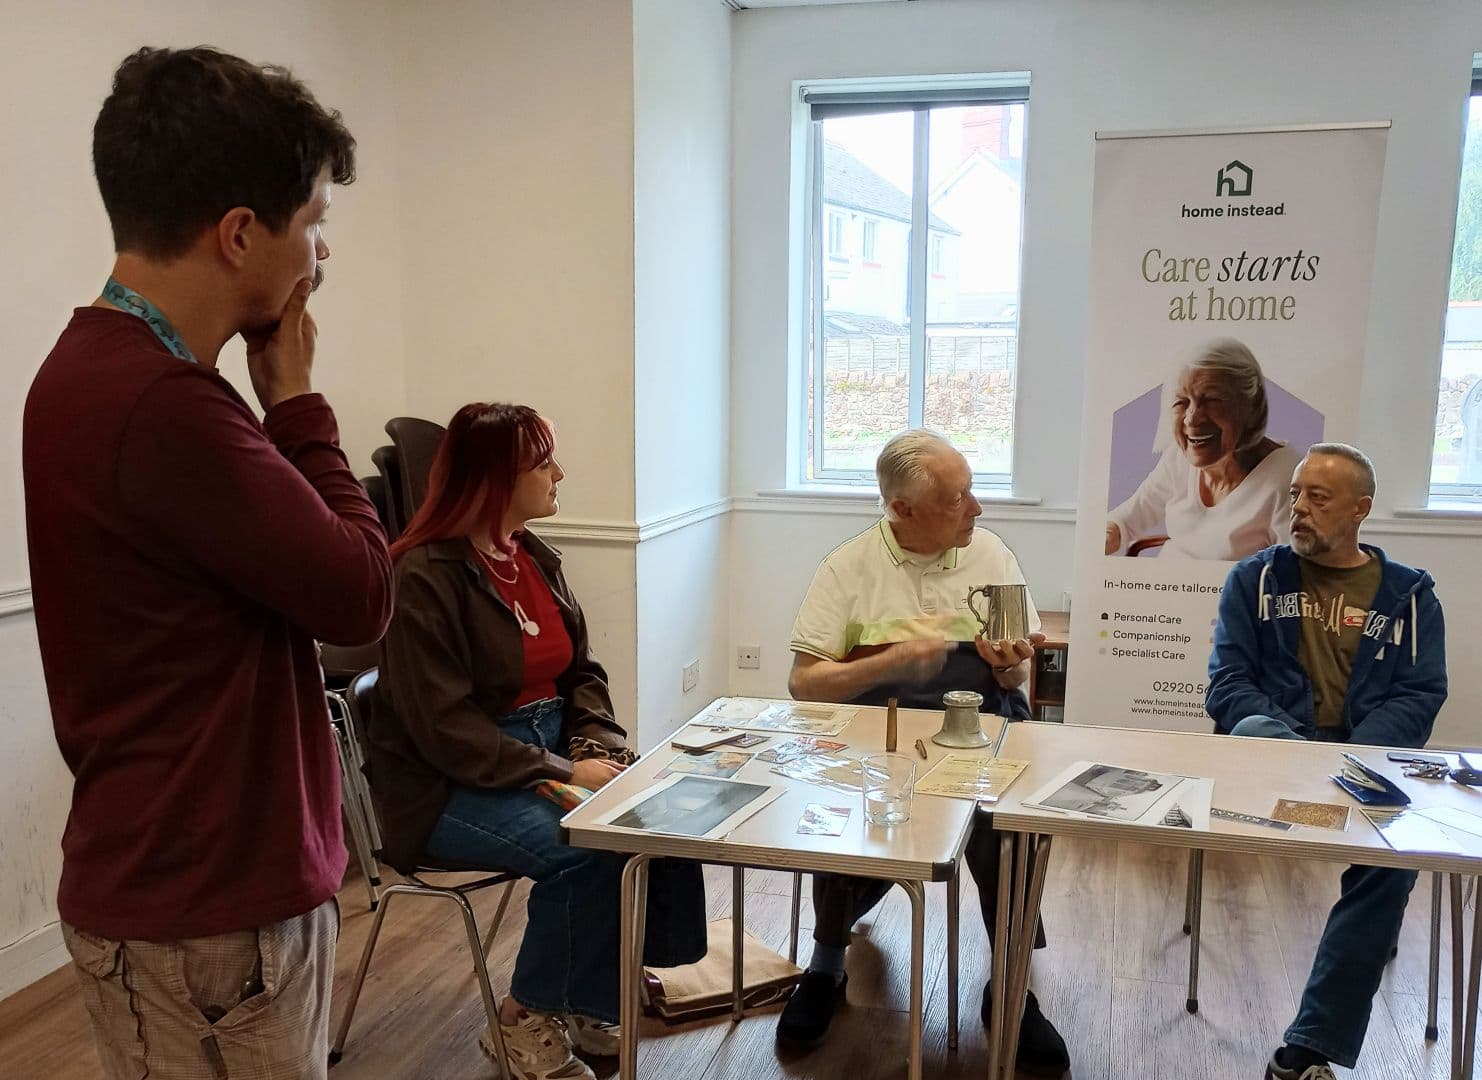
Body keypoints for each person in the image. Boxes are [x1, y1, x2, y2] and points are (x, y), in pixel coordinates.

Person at [22, 47, 391, 1079]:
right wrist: (300, 400)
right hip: (202, 923)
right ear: (238, 234)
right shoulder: (160, 406)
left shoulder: (104, 371)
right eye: (312, 225)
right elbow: (360, 593)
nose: (319, 260)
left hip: (208, 901)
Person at [368, 403, 706, 1080]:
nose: (559, 473)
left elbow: (581, 673)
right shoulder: (422, 577)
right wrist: (559, 768)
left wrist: (598, 746)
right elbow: (446, 729)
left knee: (669, 814)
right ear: (495, 477)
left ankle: (593, 993)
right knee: (586, 852)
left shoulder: (534, 558)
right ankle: (522, 1017)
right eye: (542, 461)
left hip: (542, 748)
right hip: (449, 784)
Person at [778, 429, 1070, 1077]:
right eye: (958, 498)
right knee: (850, 813)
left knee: (1008, 829)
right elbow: (804, 682)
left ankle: (1013, 984)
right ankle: (826, 965)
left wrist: (1009, 662)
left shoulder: (990, 555)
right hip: (879, 730)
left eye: (972, 491)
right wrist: (891, 659)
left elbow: (1013, 679)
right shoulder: (848, 568)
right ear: (902, 510)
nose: (977, 509)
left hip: (982, 723)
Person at [1205, 443, 1447, 1080]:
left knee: (1392, 866)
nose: (1299, 509)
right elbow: (1227, 683)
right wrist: (1301, 751)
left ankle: (1308, 1049)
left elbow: (1421, 694)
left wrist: (1351, 756)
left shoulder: (1411, 598)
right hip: (1274, 745)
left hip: (1365, 757)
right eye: (1295, 494)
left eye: (1318, 497)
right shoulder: (1254, 579)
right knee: (1255, 724)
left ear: (1360, 510)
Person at [1106, 339, 1302, 560]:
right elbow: (1129, 517)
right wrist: (1106, 534)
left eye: (1211, 399)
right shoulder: (1178, 459)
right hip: (1162, 587)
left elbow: (1288, 578)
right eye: (1181, 402)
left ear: (1251, 405)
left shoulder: (1289, 478)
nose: (1192, 418)